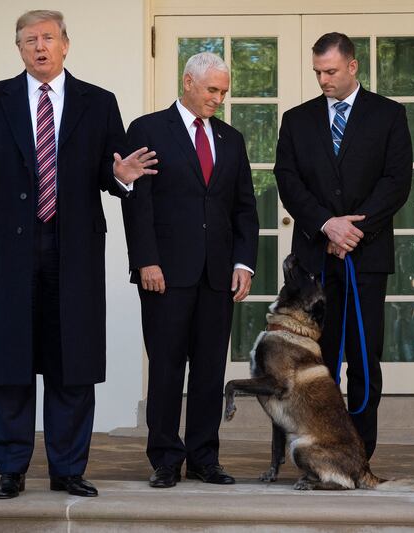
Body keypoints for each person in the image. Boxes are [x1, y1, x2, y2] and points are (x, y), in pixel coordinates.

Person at [0, 10, 156, 499]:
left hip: (75, 251)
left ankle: (69, 469)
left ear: (66, 44)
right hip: (10, 251)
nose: (39, 46)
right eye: (29, 40)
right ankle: (11, 468)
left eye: (48, 37)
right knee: (10, 360)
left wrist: (123, 178)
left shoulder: (99, 102)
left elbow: (112, 170)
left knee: (73, 361)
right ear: (20, 49)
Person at [121, 52, 259, 488]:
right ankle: (165, 458)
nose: (218, 98)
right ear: (187, 83)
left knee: (208, 369)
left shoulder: (232, 139)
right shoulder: (147, 129)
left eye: (223, 91)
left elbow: (244, 209)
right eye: (212, 90)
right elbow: (137, 202)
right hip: (164, 272)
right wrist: (146, 260)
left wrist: (243, 263)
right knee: (165, 367)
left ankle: (204, 457)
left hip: (218, 275)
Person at [274, 32, 412, 460]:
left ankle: (358, 451)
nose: (323, 80)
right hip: (315, 260)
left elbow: (397, 181)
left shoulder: (389, 115)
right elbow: (288, 180)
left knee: (364, 356)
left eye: (330, 71)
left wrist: (354, 230)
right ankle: (317, 447)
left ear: (353, 66)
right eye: (317, 72)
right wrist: (326, 224)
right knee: (316, 358)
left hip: (366, 259)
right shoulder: (296, 120)